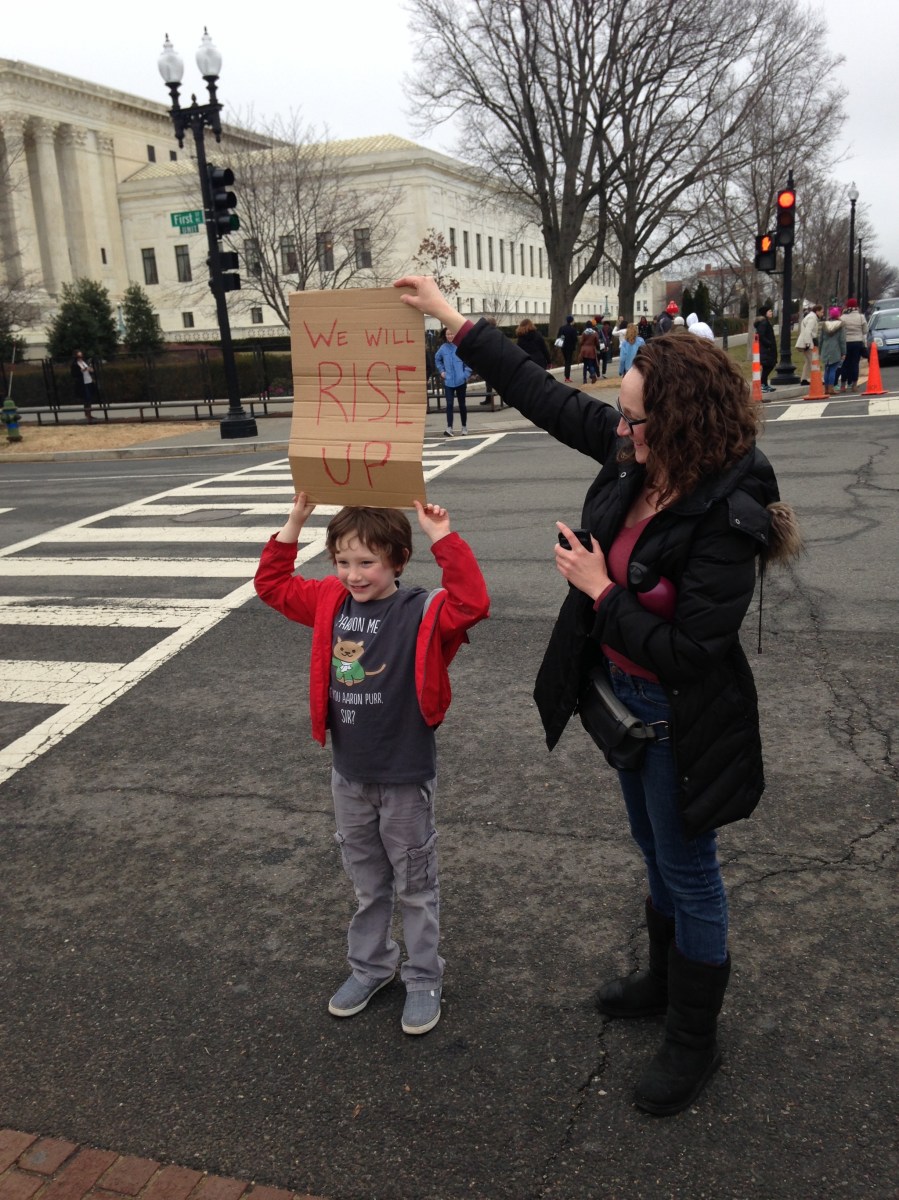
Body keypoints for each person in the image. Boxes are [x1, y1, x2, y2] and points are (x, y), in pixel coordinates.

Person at [393, 273, 801, 1115]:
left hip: (679, 716)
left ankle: (694, 1041)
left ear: (679, 419)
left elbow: (694, 653)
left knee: (690, 873)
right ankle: (661, 981)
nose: (619, 426)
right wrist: (451, 319)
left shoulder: (730, 506)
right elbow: (545, 399)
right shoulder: (636, 452)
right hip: (622, 701)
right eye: (619, 412)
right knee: (652, 853)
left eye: (633, 415)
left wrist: (597, 589)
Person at [255, 495, 490, 1036]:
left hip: (405, 776)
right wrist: (294, 522)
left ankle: (424, 976)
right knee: (367, 884)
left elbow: (472, 603)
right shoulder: (329, 603)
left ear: (398, 561)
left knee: (414, 885)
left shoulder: (422, 610)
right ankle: (371, 967)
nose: (353, 574)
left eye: (367, 562)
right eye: (342, 561)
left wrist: (443, 537)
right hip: (350, 773)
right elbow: (271, 586)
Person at [434, 328, 472, 436]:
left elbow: (469, 361)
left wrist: (465, 375)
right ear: (445, 336)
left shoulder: (461, 346)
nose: (450, 336)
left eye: (451, 334)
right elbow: (437, 359)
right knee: (449, 404)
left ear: (455, 335)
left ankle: (464, 427)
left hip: (461, 381)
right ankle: (449, 428)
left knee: (462, 405)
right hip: (448, 382)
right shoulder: (443, 348)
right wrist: (442, 371)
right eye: (448, 334)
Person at [839, 298, 869, 394]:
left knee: (845, 364)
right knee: (855, 364)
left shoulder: (843, 317)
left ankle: (843, 385)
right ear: (856, 307)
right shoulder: (861, 317)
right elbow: (865, 330)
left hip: (846, 342)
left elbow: (840, 330)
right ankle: (854, 385)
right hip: (857, 342)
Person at [819, 306, 846, 395]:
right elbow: (842, 340)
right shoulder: (840, 325)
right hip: (835, 350)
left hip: (825, 349)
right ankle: (831, 388)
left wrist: (820, 350)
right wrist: (843, 352)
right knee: (833, 370)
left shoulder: (824, 325)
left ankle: (826, 388)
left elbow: (820, 339)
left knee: (827, 369)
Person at [795, 305, 823, 384]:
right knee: (813, 361)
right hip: (808, 342)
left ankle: (804, 379)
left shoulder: (810, 317)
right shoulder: (812, 318)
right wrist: (807, 343)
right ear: (817, 311)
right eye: (821, 312)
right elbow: (808, 331)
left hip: (807, 341)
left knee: (808, 361)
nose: (822, 314)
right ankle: (818, 380)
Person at [754, 306, 778, 394]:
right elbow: (761, 335)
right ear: (765, 313)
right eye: (770, 311)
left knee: (767, 367)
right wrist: (769, 344)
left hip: (767, 349)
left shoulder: (766, 322)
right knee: (768, 366)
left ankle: (764, 384)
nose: (771, 313)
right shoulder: (764, 323)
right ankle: (762, 385)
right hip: (766, 349)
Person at [70, 350, 96, 421]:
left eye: (81, 356)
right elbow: (74, 374)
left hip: (89, 381)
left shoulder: (85, 362)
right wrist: (82, 370)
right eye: (79, 356)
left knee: (90, 398)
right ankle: (87, 414)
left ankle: (89, 414)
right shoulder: (75, 364)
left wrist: (91, 370)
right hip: (82, 383)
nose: (80, 357)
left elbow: (90, 370)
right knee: (86, 398)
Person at [556, 314, 578, 382]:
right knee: (568, 361)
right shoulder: (573, 329)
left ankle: (566, 376)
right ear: (571, 321)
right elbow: (575, 339)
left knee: (566, 361)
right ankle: (567, 377)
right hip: (570, 347)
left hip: (563, 347)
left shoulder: (562, 328)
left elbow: (558, 336)